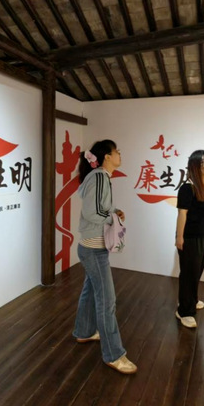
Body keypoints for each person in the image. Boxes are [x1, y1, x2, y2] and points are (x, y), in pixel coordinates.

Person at [72, 139, 137, 374]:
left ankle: (84, 332)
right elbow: (92, 212)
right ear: (107, 157)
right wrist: (113, 217)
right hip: (93, 249)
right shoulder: (99, 176)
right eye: (117, 151)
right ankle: (114, 354)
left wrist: (114, 212)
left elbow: (99, 208)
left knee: (91, 291)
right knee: (107, 301)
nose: (120, 154)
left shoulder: (101, 177)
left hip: (92, 247)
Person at [174, 150, 204, 328]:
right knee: (189, 274)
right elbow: (182, 214)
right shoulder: (188, 188)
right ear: (195, 166)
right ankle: (184, 311)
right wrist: (179, 237)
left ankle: (192, 300)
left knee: (196, 272)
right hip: (190, 237)